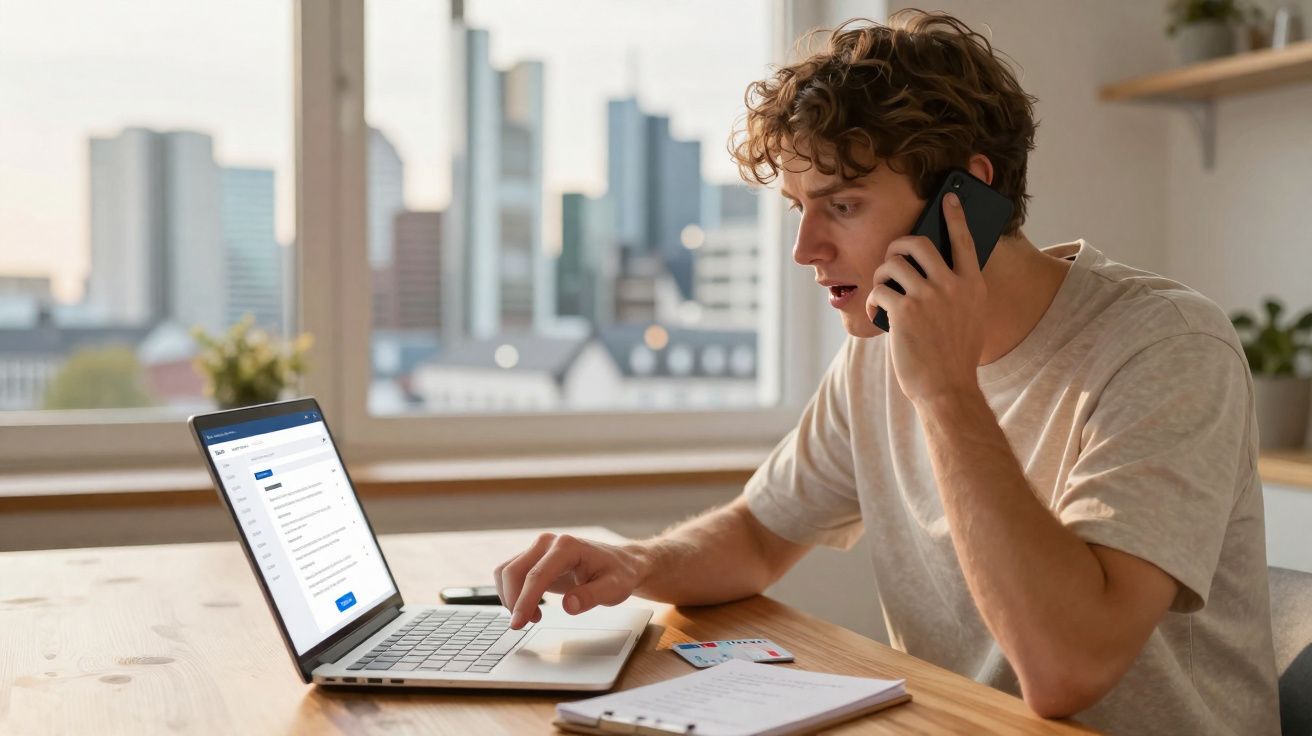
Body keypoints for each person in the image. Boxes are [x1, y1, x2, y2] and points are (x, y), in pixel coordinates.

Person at [492, 10, 1280, 734]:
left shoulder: (1168, 347)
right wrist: (636, 562)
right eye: (798, 207)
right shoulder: (876, 346)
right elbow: (759, 535)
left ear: (964, 198)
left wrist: (946, 391)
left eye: (841, 206)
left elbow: (1066, 670)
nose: (805, 249)